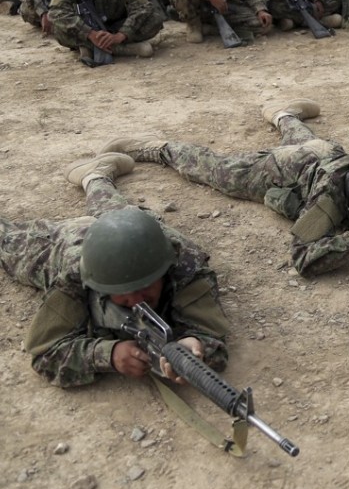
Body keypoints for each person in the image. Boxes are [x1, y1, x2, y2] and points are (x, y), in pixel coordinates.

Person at [101, 100, 349, 278]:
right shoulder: (336, 185)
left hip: (324, 153)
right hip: (290, 171)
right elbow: (302, 256)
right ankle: (158, 148)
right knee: (218, 171)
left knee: (311, 144)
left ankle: (284, 116)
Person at [1, 152, 229, 387]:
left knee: (117, 214)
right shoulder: (75, 273)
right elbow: (45, 355)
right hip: (70, 242)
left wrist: (196, 345)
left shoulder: (185, 265)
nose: (135, 299)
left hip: (131, 228)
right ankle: (94, 179)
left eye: (144, 286)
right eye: (121, 291)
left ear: (164, 273)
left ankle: (94, 176)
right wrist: (107, 355)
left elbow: (212, 337)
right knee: (7, 242)